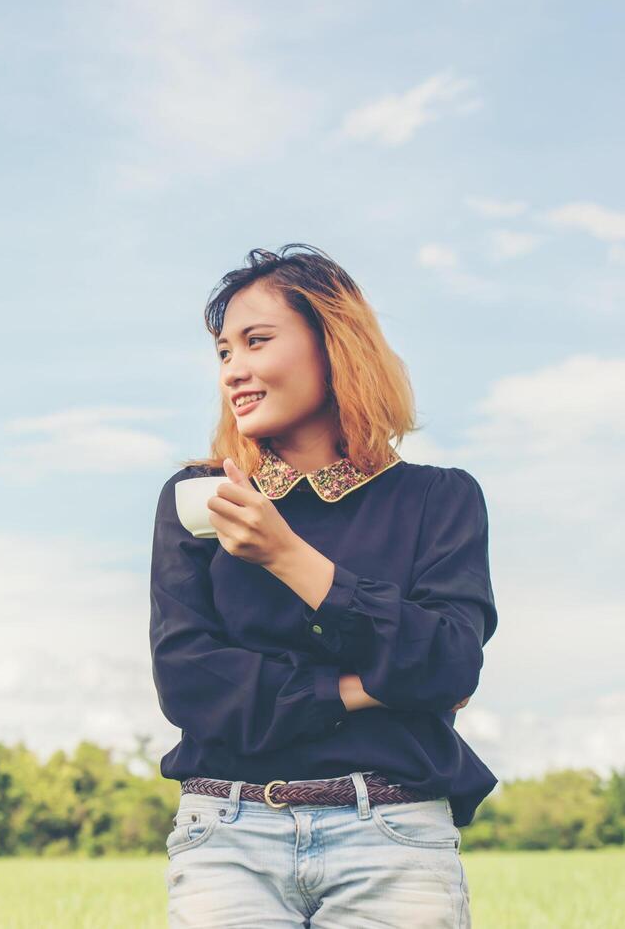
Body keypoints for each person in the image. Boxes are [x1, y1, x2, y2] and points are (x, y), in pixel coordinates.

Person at [150, 244, 496, 928]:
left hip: (393, 834)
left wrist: (285, 556)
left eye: (256, 341)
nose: (233, 371)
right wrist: (368, 688)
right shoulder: (198, 501)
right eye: (223, 352)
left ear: (332, 345)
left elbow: (450, 662)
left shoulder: (440, 499)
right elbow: (191, 685)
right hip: (226, 838)